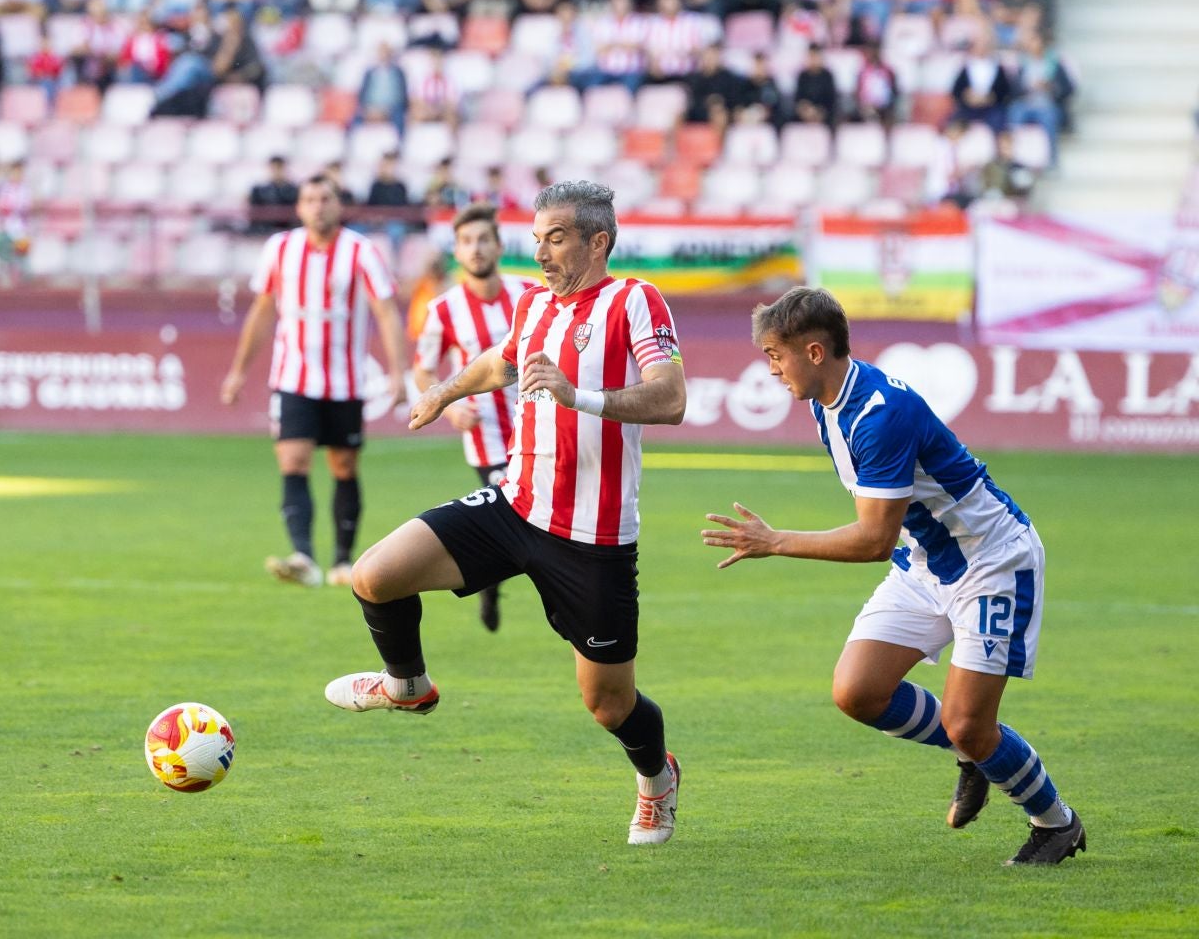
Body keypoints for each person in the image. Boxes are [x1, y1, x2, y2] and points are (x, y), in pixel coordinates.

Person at [328, 181, 690, 848]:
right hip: (513, 504)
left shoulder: (633, 300)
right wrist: (441, 391)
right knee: (376, 575)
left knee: (608, 703)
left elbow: (670, 398)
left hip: (594, 538)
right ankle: (407, 685)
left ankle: (656, 780)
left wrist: (580, 395)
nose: (541, 251)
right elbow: (501, 362)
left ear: (597, 241)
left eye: (556, 237)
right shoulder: (532, 303)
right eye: (538, 238)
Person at [703, 287, 1084, 866]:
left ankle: (1055, 824)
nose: (770, 368)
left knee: (968, 723)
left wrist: (776, 541)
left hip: (989, 563)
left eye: (775, 354)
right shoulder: (823, 398)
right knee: (858, 692)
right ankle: (971, 751)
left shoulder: (879, 416)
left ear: (812, 351)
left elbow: (873, 539)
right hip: (925, 561)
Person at [221, 174, 407, 588]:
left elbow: (386, 312)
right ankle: (304, 555)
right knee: (292, 460)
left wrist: (398, 373)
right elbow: (263, 311)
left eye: (325, 198)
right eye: (309, 199)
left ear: (339, 205)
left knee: (343, 465)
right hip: (292, 378)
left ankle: (342, 559)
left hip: (345, 381)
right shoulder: (280, 249)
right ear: (299, 207)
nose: (317, 205)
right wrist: (238, 371)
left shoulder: (362, 251)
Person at [409, 204, 538, 631]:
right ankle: (507, 584)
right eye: (466, 241)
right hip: (486, 434)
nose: (476, 248)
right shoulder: (444, 309)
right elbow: (425, 368)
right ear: (457, 252)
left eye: (483, 239)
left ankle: (492, 581)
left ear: (499, 246)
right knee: (515, 513)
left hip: (541, 427)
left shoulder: (529, 294)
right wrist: (448, 402)